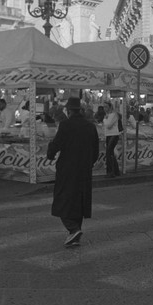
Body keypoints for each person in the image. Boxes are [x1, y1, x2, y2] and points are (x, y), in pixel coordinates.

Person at [46, 97, 99, 248]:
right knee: (79, 200)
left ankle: (73, 229)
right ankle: (74, 234)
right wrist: (88, 163)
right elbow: (96, 150)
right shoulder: (90, 126)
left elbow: (57, 143)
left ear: (68, 110)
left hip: (68, 168)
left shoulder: (66, 125)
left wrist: (50, 153)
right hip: (84, 169)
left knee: (62, 198)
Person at [102, 101, 121, 178]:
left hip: (113, 135)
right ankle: (115, 171)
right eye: (104, 107)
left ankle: (111, 172)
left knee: (109, 153)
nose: (105, 108)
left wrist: (104, 119)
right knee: (110, 153)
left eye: (106, 107)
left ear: (110, 107)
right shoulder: (108, 115)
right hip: (109, 135)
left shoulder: (113, 115)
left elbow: (108, 125)